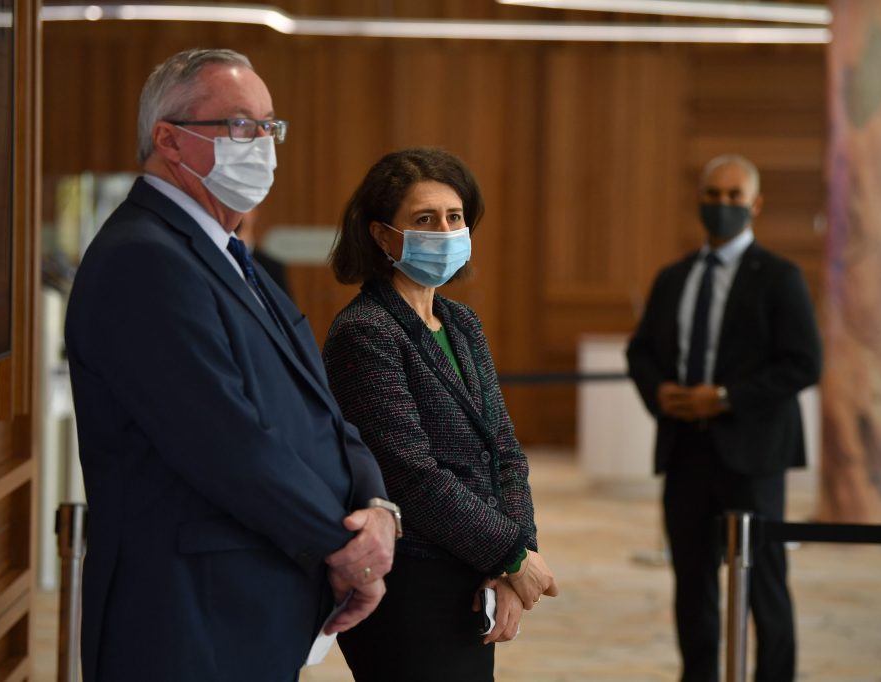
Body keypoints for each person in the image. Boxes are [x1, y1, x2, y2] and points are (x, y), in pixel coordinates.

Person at [64, 48, 399, 682]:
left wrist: (379, 506)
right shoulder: (144, 259)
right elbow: (225, 441)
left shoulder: (229, 256)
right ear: (170, 140)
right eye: (241, 125)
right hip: (188, 617)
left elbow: (319, 408)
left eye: (271, 126)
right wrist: (345, 548)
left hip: (249, 600)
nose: (264, 144)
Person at [321, 147, 559, 681]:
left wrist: (513, 556)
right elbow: (409, 475)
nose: (446, 231)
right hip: (411, 581)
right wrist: (511, 555)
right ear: (383, 236)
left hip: (474, 570)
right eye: (425, 219)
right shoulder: (365, 331)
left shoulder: (460, 322)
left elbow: (504, 452)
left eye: (455, 217)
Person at [626, 154, 822, 682]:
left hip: (753, 455)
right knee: (692, 584)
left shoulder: (779, 277)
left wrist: (726, 397)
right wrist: (660, 392)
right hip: (686, 452)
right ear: (700, 200)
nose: (723, 205)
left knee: (765, 585)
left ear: (755, 204)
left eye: (734, 196)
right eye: (713, 195)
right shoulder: (675, 277)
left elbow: (804, 363)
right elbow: (640, 352)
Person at [236, 208, 292, 299]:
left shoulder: (272, 267)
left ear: (253, 213)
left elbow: (284, 305)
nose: (237, 211)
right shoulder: (218, 259)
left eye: (244, 207)